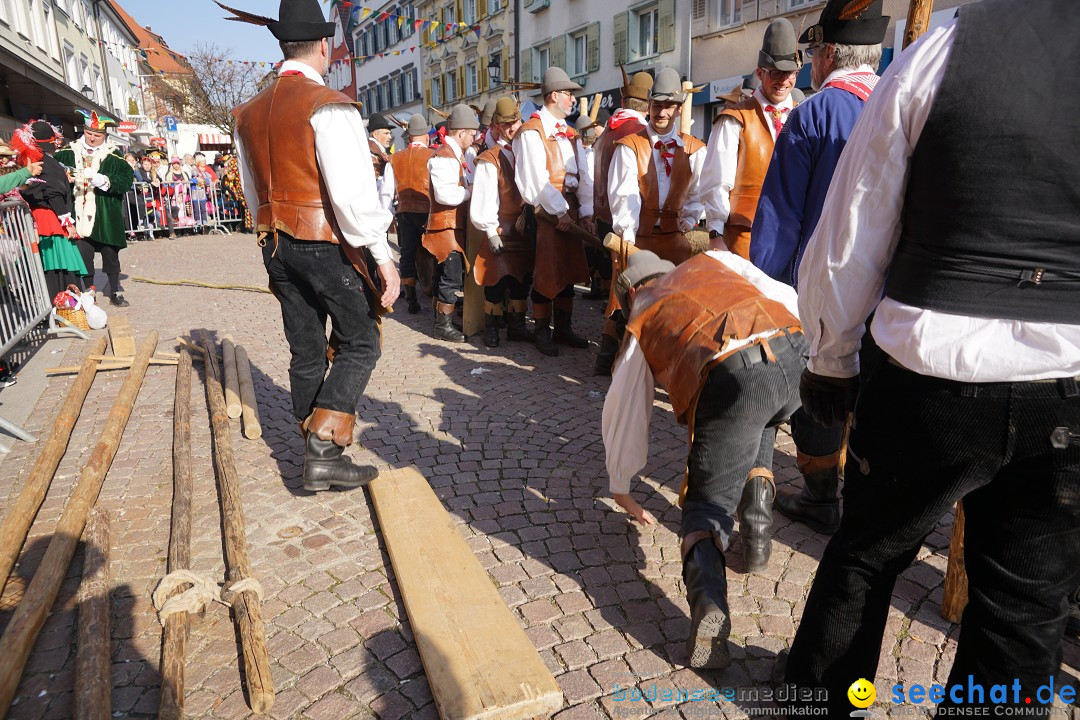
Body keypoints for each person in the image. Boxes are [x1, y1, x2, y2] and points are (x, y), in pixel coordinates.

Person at [782, 1, 1079, 714]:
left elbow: (858, 219)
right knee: (1023, 610)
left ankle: (825, 702)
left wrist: (831, 356)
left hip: (932, 370)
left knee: (868, 556)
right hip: (1070, 384)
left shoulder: (948, 40)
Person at [225, 0, 399, 492]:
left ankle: (312, 453)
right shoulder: (328, 104)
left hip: (273, 240)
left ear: (283, 45)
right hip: (322, 242)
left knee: (305, 350)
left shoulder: (247, 112)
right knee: (361, 340)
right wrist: (383, 259)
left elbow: (253, 189)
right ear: (324, 45)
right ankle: (323, 451)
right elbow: (352, 194)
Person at [603, 247, 805, 668]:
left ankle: (710, 614)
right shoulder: (715, 260)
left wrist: (621, 486)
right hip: (795, 349)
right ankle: (756, 542)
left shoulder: (644, 310)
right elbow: (784, 295)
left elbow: (624, 405)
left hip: (735, 371)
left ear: (630, 294)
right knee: (759, 421)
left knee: (704, 505)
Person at [748, 0, 888, 535]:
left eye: (812, 55)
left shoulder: (815, 113)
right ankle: (867, 499)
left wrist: (765, 284)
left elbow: (781, 215)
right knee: (875, 391)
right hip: (893, 288)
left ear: (828, 53)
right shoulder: (903, 103)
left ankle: (821, 495)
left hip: (826, 287)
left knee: (823, 383)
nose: (808, 65)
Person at [701, 19, 799, 259]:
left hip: (791, 238)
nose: (783, 81)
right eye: (776, 72)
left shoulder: (803, 116)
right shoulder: (734, 118)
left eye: (790, 73)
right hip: (743, 239)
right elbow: (717, 180)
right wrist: (716, 234)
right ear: (759, 72)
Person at [513, 66, 592, 356]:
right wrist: (559, 211)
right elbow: (534, 180)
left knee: (569, 269)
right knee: (546, 272)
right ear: (554, 96)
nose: (572, 100)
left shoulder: (571, 134)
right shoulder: (531, 132)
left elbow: (583, 175)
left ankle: (564, 328)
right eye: (569, 94)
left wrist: (585, 210)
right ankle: (541, 330)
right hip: (545, 211)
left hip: (568, 207)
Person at [608, 66, 706, 267]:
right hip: (637, 241)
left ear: (679, 110)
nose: (661, 112)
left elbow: (698, 193)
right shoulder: (629, 146)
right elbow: (623, 197)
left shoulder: (694, 150)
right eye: (657, 105)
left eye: (669, 106)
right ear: (649, 106)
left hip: (676, 243)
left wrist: (688, 220)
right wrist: (627, 240)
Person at [591, 70, 654, 375]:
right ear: (647, 103)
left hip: (607, 219)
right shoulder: (639, 133)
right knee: (630, 288)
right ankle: (617, 357)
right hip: (629, 223)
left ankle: (606, 353)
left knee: (618, 285)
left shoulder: (606, 131)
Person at [469, 97, 535, 348]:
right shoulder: (489, 158)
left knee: (521, 279)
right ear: (495, 126)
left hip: (523, 228)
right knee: (495, 281)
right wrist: (489, 230)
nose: (512, 127)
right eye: (506, 124)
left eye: (516, 121)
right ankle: (492, 328)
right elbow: (483, 198)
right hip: (499, 228)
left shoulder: (526, 151)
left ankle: (517, 326)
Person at [54, 110, 135, 307]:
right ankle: (89, 291)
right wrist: (65, 178)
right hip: (77, 212)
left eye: (97, 135)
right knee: (83, 253)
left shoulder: (114, 156)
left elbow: (125, 181)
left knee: (110, 253)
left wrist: (104, 180)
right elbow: (53, 175)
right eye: (89, 133)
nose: (92, 137)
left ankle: (114, 290)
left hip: (105, 213)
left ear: (105, 136)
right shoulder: (66, 153)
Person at [12, 121, 86, 298]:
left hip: (43, 217)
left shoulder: (36, 160)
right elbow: (53, 193)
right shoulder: (45, 161)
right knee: (57, 265)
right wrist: (67, 222)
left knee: (51, 265)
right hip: (49, 218)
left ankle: (57, 302)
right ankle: (61, 303)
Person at [424, 104, 477, 342]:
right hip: (446, 226)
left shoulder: (454, 155)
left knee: (445, 275)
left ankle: (442, 320)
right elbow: (445, 195)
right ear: (462, 132)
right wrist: (469, 192)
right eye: (472, 133)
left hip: (450, 225)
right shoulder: (444, 156)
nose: (475, 138)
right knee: (450, 276)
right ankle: (442, 326)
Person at [383, 113, 433, 314]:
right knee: (432, 252)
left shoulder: (394, 159)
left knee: (407, 253)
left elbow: (387, 192)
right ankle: (434, 292)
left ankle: (411, 298)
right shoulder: (433, 155)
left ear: (409, 137)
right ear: (426, 136)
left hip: (403, 211)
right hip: (426, 211)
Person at [367, 112, 394, 184]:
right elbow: (374, 183)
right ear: (375, 135)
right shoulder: (372, 154)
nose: (390, 137)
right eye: (386, 133)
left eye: (390, 133)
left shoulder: (376, 150)